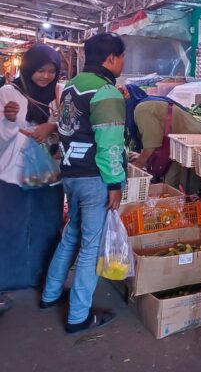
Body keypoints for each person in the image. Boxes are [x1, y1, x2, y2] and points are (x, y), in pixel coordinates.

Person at [41, 33, 127, 335]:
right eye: (122, 57)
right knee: (90, 247)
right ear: (111, 58)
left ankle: (50, 294)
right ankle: (78, 316)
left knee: (71, 236)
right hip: (94, 178)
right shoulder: (106, 92)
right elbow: (110, 144)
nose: (123, 63)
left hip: (71, 174)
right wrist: (115, 183)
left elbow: (68, 129)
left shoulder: (72, 86)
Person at [0, 45, 64, 303]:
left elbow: (67, 125)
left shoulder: (58, 94)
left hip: (48, 173)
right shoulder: (8, 92)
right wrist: (8, 120)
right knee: (9, 226)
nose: (46, 76)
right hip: (12, 173)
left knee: (46, 225)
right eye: (40, 70)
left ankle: (40, 275)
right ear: (28, 68)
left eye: (51, 71)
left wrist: (51, 126)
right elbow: (3, 134)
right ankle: (8, 277)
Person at [123, 84, 201, 190]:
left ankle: (195, 198)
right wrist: (141, 156)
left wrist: (138, 165)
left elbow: (152, 143)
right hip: (180, 146)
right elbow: (155, 135)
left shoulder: (141, 110)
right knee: (169, 185)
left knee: (184, 186)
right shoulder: (145, 103)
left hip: (193, 143)